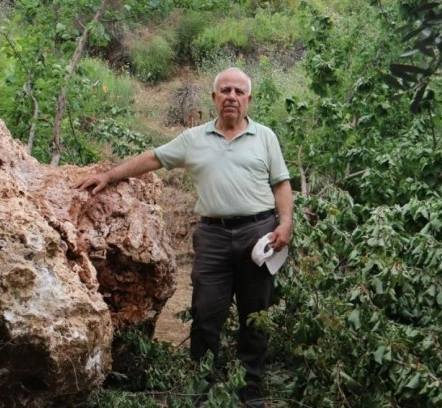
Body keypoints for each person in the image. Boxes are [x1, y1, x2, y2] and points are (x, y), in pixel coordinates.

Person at [75, 67, 293, 407]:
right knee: (206, 314)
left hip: (258, 233)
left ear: (248, 99)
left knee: (256, 315)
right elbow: (153, 158)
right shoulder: (194, 139)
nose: (231, 97)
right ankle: (201, 386)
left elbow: (281, 183)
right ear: (214, 98)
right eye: (225, 91)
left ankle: (251, 387)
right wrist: (110, 175)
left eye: (238, 91)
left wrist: (286, 222)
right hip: (213, 237)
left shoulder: (265, 137)